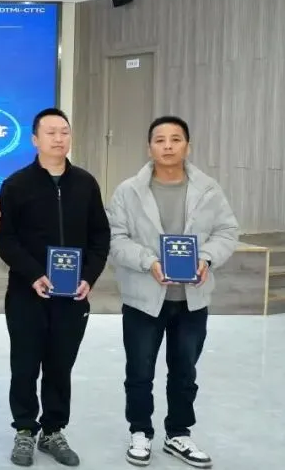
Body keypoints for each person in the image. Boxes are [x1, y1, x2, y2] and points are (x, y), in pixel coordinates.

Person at [107, 116, 238, 469]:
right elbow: (116, 239)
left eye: (175, 139)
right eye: (160, 139)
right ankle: (140, 431)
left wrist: (206, 258)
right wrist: (149, 261)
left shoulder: (208, 189)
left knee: (184, 372)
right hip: (143, 298)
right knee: (139, 371)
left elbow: (227, 231)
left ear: (187, 146)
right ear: (149, 147)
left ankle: (178, 433)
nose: (168, 146)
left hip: (192, 299)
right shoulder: (128, 191)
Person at [0, 108, 111, 467]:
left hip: (72, 296)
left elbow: (100, 236)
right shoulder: (16, 185)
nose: (59, 138)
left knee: (60, 366)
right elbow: (5, 239)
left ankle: (53, 430)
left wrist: (88, 276)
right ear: (35, 139)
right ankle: (25, 429)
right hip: (27, 293)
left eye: (64, 132)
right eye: (50, 132)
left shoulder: (86, 184)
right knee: (25, 364)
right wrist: (33, 274)